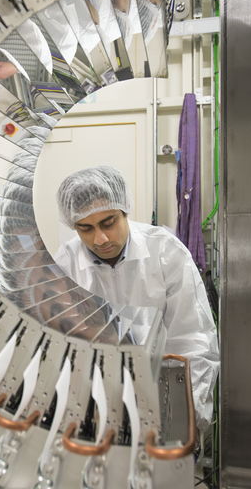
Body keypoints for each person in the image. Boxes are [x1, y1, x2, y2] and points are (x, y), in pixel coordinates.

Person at [54, 165, 219, 433]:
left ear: (125, 209)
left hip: (162, 395)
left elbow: (193, 339)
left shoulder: (165, 252)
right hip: (94, 406)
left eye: (109, 222)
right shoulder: (65, 264)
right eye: (85, 228)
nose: (101, 238)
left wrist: (189, 418)